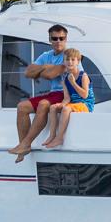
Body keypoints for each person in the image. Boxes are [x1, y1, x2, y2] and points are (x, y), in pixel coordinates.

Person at [8, 24, 69, 162]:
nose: (58, 41)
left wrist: (44, 70)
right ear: (50, 39)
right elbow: (28, 72)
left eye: (61, 38)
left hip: (66, 93)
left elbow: (50, 75)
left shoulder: (69, 55)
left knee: (43, 104)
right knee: (22, 107)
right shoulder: (46, 55)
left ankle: (25, 144)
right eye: (55, 38)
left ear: (66, 39)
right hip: (53, 93)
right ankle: (23, 147)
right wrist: (45, 67)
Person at [42, 47, 94, 149]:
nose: (70, 62)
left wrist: (73, 83)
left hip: (86, 104)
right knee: (53, 107)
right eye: (67, 59)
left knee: (66, 109)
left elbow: (85, 95)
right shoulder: (65, 78)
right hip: (74, 104)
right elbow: (67, 98)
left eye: (73, 59)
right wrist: (61, 104)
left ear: (78, 61)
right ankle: (52, 135)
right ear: (64, 61)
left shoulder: (83, 76)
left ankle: (60, 137)